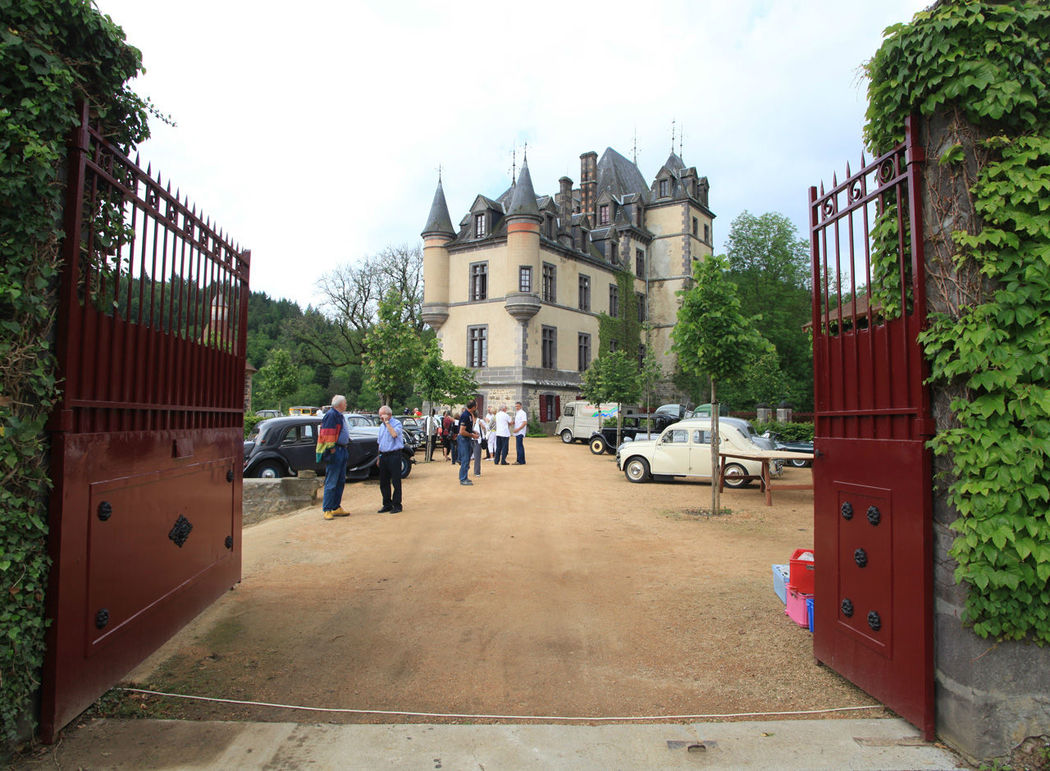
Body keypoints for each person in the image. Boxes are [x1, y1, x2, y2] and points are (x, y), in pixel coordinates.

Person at [315, 394, 351, 520]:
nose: (346, 405)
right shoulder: (331, 415)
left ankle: (336, 507)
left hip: (342, 449)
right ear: (340, 404)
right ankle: (327, 508)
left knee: (340, 480)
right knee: (332, 481)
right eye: (345, 403)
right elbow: (327, 433)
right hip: (336, 450)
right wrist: (332, 449)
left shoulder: (339, 415)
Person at [375, 405, 404, 513]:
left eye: (382, 415)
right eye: (380, 416)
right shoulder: (381, 426)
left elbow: (394, 434)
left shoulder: (396, 423)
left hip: (394, 455)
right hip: (384, 455)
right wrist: (378, 457)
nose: (381, 418)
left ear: (389, 415)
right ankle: (387, 503)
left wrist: (387, 423)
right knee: (384, 482)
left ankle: (397, 505)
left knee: (396, 481)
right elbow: (379, 443)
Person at [457, 399, 479, 485]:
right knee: (465, 459)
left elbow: (466, 428)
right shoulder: (465, 415)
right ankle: (463, 479)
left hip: (466, 438)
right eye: (476, 406)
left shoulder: (469, 414)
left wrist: (473, 431)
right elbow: (462, 431)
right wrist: (472, 435)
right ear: (473, 407)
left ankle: (464, 477)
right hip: (463, 439)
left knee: (467, 459)